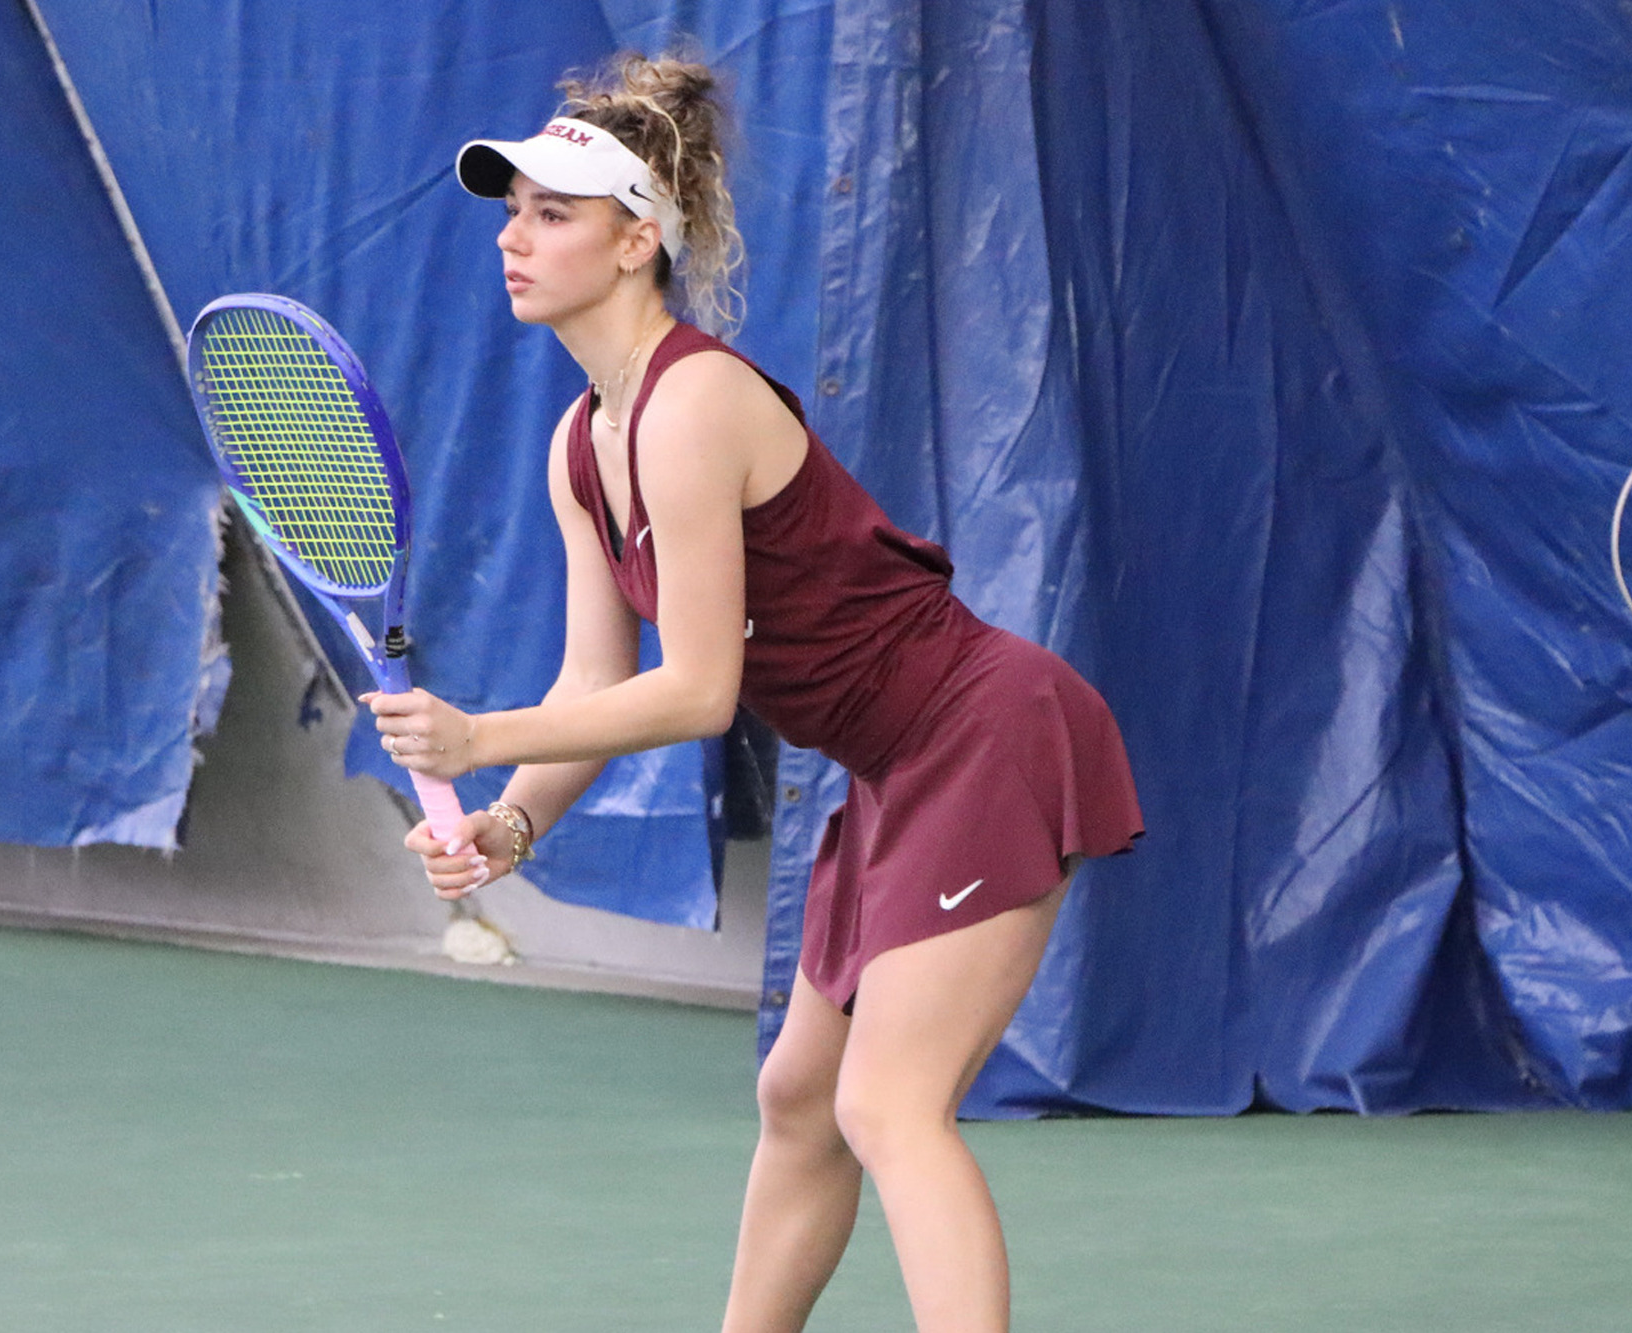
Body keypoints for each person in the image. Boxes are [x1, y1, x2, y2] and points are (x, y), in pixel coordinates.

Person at [363, 52, 1142, 1333]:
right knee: (799, 1097)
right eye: (510, 212)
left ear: (633, 244)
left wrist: (476, 733)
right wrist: (507, 822)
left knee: (886, 1103)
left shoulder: (692, 404)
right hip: (891, 769)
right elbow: (595, 681)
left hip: (983, 730)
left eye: (551, 213)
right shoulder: (582, 444)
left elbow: (695, 689)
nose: (515, 238)